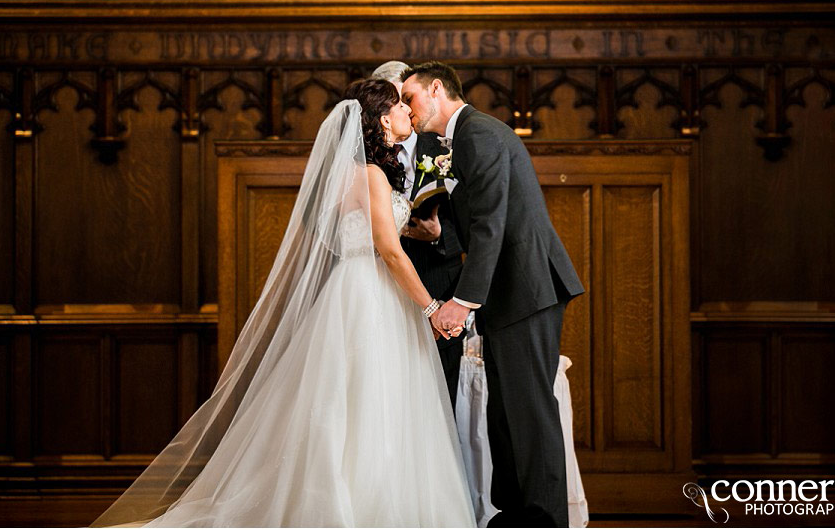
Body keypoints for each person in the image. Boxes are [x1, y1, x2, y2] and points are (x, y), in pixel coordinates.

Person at [90, 79, 476, 528]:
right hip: (372, 292)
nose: (408, 113)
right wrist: (430, 307)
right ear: (381, 120)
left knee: (350, 399)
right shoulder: (369, 174)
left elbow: (354, 232)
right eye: (398, 106)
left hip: (353, 288)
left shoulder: (354, 174)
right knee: (374, 398)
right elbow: (388, 251)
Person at [400, 62, 586, 528]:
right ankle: (516, 512)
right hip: (513, 288)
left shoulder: (477, 134)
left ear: (436, 89)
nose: (406, 109)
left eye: (410, 98)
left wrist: (461, 302)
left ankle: (542, 519)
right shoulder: (463, 138)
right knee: (505, 407)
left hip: (526, 284)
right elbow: (478, 221)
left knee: (528, 407)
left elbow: (491, 223)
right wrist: (440, 234)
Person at [371, 60, 466, 410]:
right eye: (396, 103)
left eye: (406, 100)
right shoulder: (363, 160)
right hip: (380, 291)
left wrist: (440, 235)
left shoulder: (445, 148)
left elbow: (474, 220)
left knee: (439, 402)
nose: (406, 110)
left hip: (437, 280)